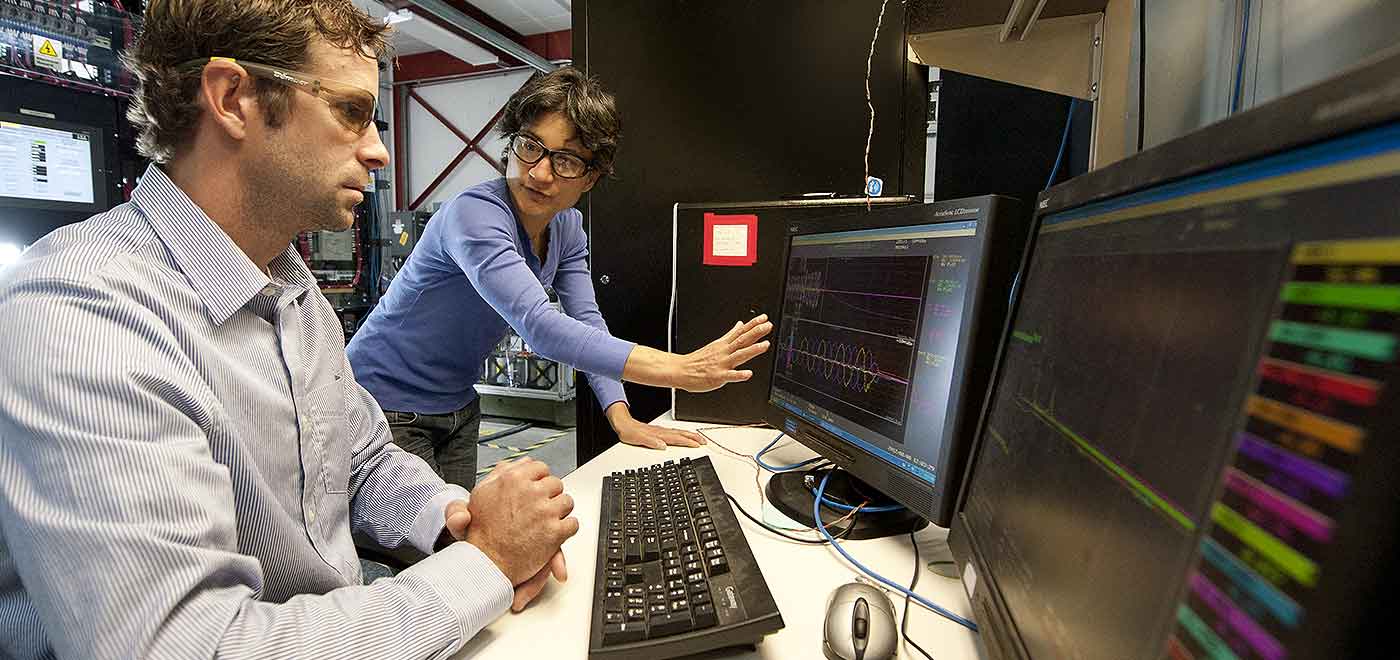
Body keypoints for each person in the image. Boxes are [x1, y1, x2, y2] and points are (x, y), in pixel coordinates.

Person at [0, 2, 573, 658]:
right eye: (352, 112)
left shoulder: (291, 287)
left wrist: (456, 523)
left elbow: (361, 462)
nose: (379, 150)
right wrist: (486, 563)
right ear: (234, 97)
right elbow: (184, 645)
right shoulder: (84, 315)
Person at [347, 67, 772, 489]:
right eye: (530, 147)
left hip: (458, 405)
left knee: (453, 543)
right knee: (432, 547)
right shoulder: (473, 214)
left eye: (565, 159)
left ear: (591, 177)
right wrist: (681, 370)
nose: (539, 173)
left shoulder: (567, 229)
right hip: (383, 403)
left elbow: (587, 324)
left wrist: (620, 415)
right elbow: (541, 327)